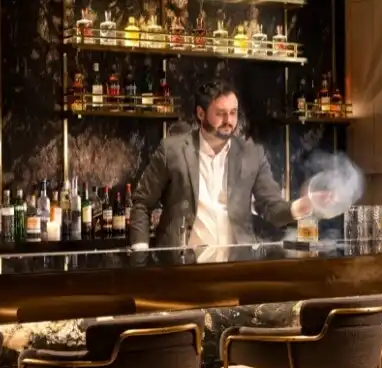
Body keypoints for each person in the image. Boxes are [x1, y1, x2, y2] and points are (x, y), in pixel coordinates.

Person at [130, 80, 316, 251]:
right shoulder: (172, 151)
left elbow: (271, 207)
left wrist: (301, 206)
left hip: (235, 267)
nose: (229, 121)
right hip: (183, 265)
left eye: (233, 113)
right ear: (201, 113)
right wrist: (140, 252)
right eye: (220, 113)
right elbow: (142, 203)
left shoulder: (252, 154)